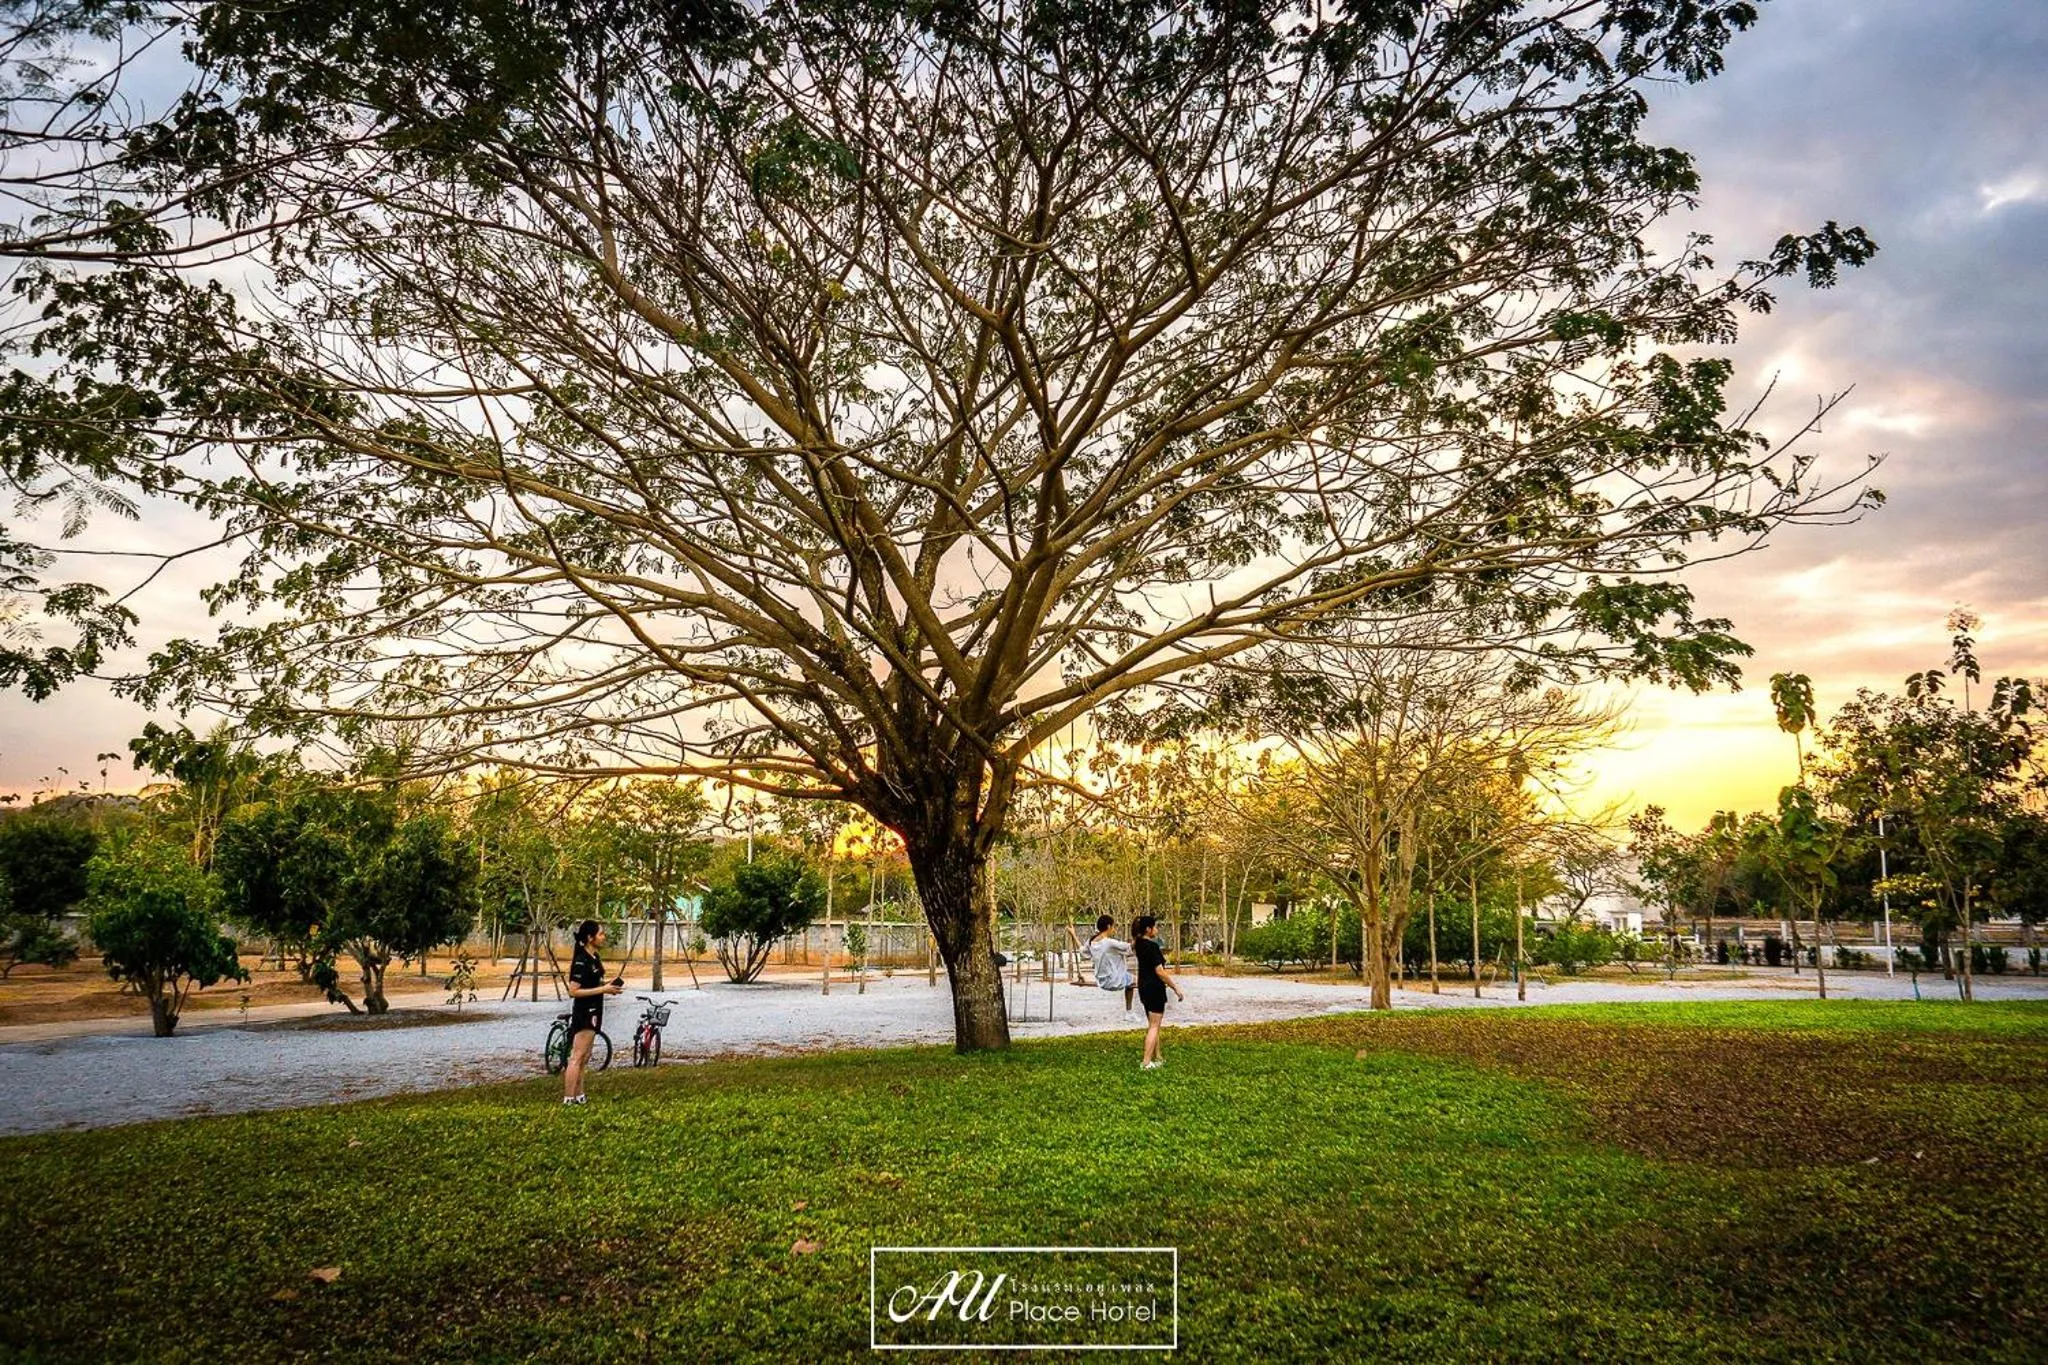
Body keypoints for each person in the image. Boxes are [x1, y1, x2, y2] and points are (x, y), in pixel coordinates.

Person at [563, 918, 623, 1106]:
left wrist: (608, 987)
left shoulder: (594, 957)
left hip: (596, 1009)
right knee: (577, 1056)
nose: (603, 937)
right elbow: (573, 991)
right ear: (590, 937)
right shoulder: (581, 960)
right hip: (584, 1011)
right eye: (601, 934)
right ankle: (568, 1098)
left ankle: (580, 1094)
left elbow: (594, 984)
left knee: (586, 1057)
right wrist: (602, 990)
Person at [1131, 914, 1183, 1070]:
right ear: (1148, 929)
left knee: (1153, 1024)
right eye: (1155, 926)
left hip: (1144, 988)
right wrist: (1175, 987)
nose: (1157, 929)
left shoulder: (1138, 944)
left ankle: (1158, 1056)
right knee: (1154, 1026)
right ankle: (1146, 1062)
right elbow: (1159, 971)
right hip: (1154, 988)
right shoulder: (1151, 946)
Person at [1067, 914, 1136, 1011]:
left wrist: (1073, 934)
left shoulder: (1091, 941)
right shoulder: (1109, 943)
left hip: (1102, 982)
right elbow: (1130, 947)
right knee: (1137, 980)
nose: (1114, 929)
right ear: (1108, 926)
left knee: (1130, 980)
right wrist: (1140, 934)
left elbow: (1082, 951)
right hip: (1114, 981)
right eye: (1113, 926)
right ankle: (1130, 1012)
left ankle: (1130, 1012)